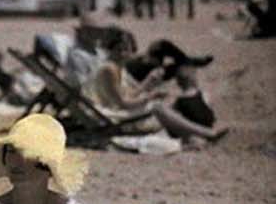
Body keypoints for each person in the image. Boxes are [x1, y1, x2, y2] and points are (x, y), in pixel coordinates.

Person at [88, 60, 226, 142]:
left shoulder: (119, 68)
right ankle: (207, 133)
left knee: (167, 109)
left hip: (118, 110)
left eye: (128, 49)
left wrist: (148, 83)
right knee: (158, 107)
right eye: (121, 49)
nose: (126, 53)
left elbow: (130, 95)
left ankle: (194, 135)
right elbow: (122, 104)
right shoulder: (110, 70)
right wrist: (150, 97)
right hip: (113, 114)